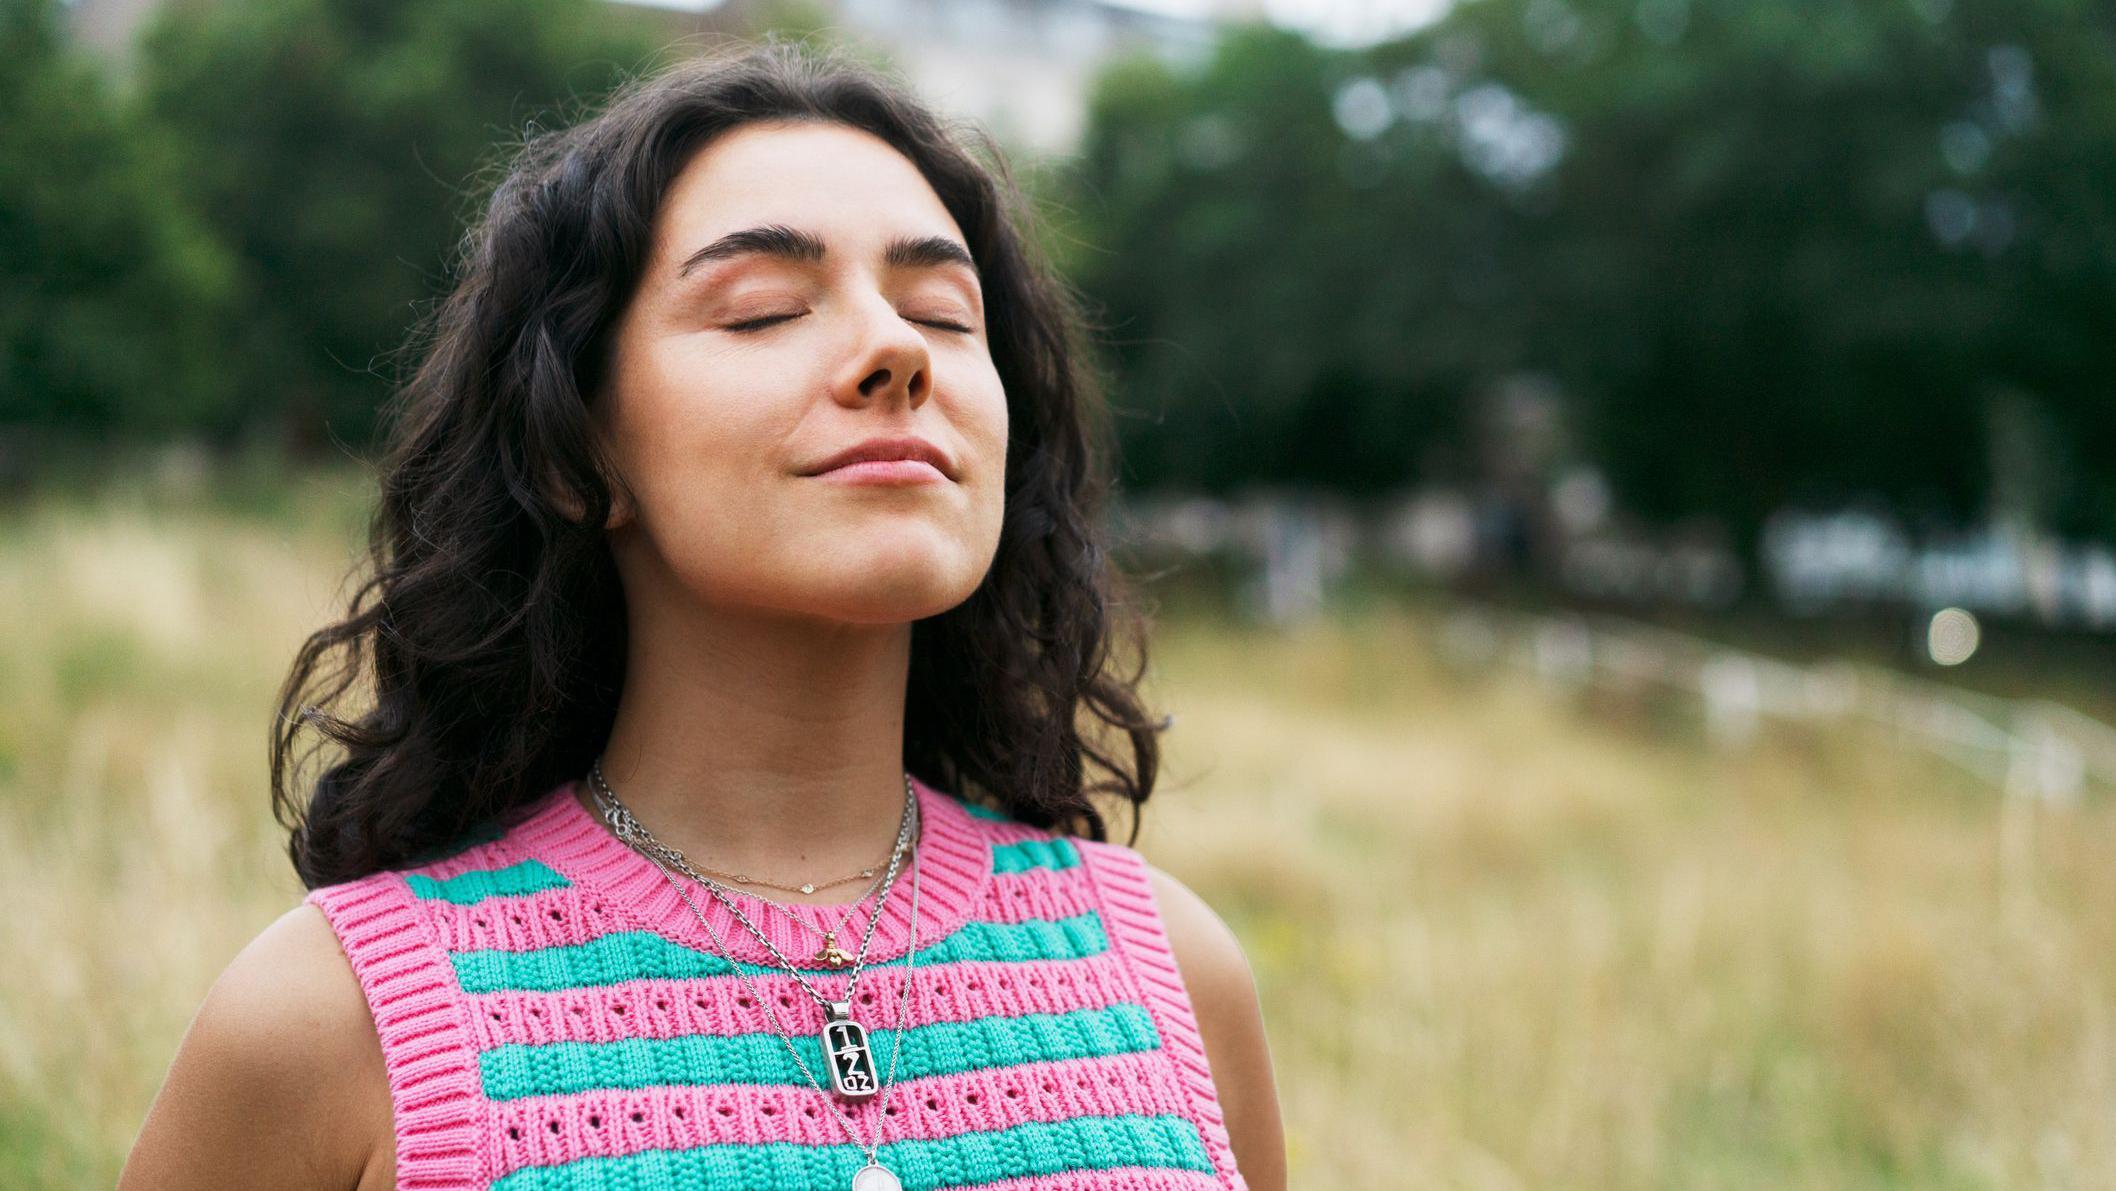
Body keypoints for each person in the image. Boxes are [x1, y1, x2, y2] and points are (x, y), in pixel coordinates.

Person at [120, 37, 1284, 1191]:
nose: (893, 350)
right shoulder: (335, 1024)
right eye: (765, 310)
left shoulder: (1174, 976)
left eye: (940, 312)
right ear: (577, 451)